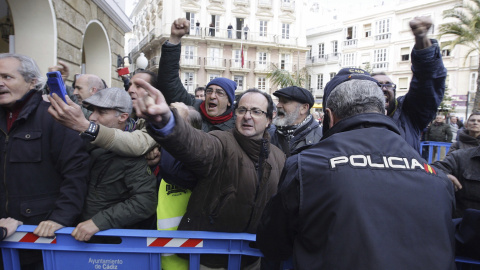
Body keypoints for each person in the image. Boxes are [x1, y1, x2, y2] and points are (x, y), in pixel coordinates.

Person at [257, 73, 456, 270]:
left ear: (330, 116)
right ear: (383, 112)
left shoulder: (307, 166)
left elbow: (274, 242)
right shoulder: (435, 176)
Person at [134, 78, 285, 269]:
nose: (247, 116)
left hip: (251, 258)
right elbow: (194, 143)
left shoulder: (279, 157)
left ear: (269, 119)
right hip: (210, 259)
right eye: (242, 110)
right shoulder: (220, 142)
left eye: (256, 111)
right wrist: (168, 122)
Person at [0, 53, 90, 266]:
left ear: (32, 81)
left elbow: (76, 172)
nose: (0, 83)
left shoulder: (55, 116)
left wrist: (60, 219)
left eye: (7, 77)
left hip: (41, 237)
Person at [53, 87, 157, 242]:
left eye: (101, 112)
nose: (93, 117)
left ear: (123, 117)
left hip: (107, 242)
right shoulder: (81, 141)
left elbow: (145, 201)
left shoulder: (130, 154)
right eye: (92, 110)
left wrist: (99, 222)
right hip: (71, 234)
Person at [370, 16, 446, 153]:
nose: (384, 88)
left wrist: (422, 42)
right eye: (377, 85)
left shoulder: (409, 115)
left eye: (388, 85)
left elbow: (426, 83)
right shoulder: (353, 119)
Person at [48, 70, 158, 157]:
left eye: (139, 86)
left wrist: (87, 127)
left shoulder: (159, 121)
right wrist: (60, 87)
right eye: (130, 85)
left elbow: (137, 144)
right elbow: (76, 108)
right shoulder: (130, 115)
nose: (130, 90)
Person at [157, 18, 236, 133]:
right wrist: (174, 39)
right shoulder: (192, 106)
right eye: (209, 91)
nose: (212, 96)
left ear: (229, 101)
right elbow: (169, 82)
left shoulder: (238, 125)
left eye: (219, 93)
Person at [270, 86, 322, 157]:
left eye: (285, 101)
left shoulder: (322, 137)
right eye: (279, 101)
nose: (278, 105)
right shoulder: (270, 134)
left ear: (303, 108)